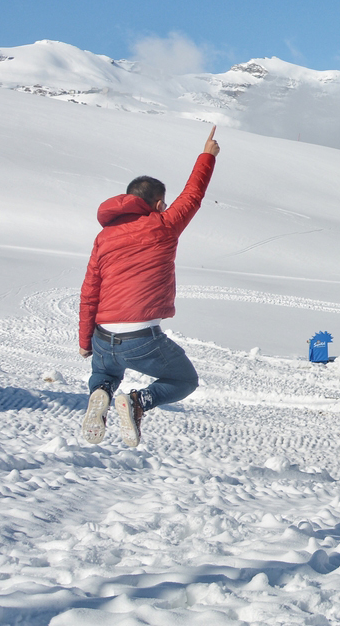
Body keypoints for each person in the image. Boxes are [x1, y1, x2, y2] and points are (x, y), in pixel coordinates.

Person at [78, 126, 221, 447]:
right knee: (183, 380)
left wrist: (85, 340)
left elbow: (90, 290)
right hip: (141, 337)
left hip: (102, 336)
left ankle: (99, 393)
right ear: (158, 205)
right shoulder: (164, 225)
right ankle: (138, 401)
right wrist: (207, 155)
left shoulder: (103, 237)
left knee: (104, 374)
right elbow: (193, 194)